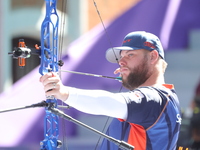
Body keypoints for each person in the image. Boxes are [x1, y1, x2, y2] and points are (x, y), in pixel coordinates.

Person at [40, 31, 181, 150]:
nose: (121, 61)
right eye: (121, 57)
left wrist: (63, 93)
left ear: (153, 56)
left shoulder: (155, 99)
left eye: (130, 55)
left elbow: (110, 102)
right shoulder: (165, 99)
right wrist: (130, 76)